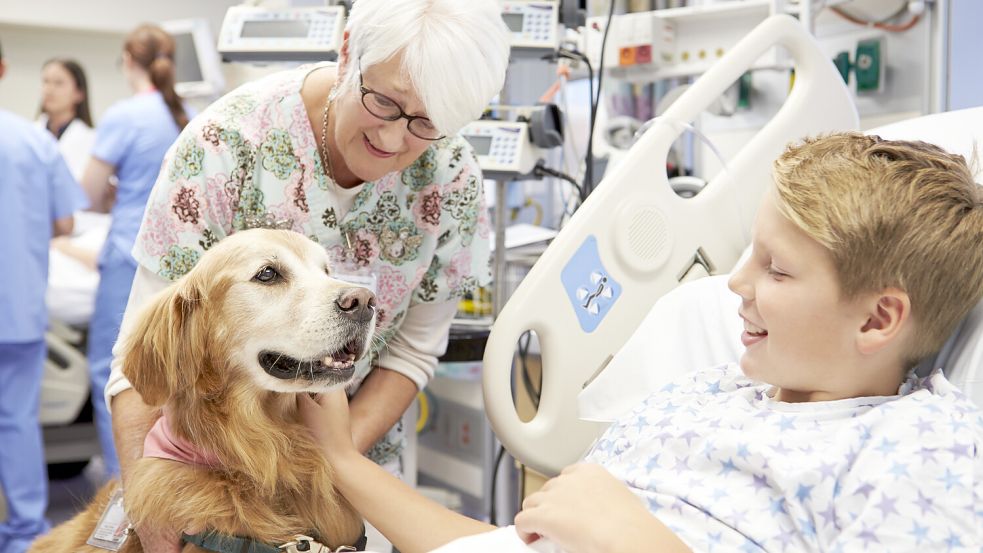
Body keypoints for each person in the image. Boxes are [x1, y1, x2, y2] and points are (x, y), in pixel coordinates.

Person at [300, 132, 983, 553]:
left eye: (775, 268)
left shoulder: (916, 443)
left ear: (875, 320)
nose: (736, 282)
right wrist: (337, 457)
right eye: (749, 252)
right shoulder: (699, 395)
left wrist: (629, 538)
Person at [103, 1, 510, 551]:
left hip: (354, 480)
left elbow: (411, 352)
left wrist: (329, 462)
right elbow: (145, 359)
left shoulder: (452, 180)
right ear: (347, 54)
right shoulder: (225, 145)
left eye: (425, 123)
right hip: (205, 478)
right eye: (383, 102)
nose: (393, 141)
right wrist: (153, 527)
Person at [79, 24, 191, 480]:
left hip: (130, 260)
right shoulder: (192, 113)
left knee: (121, 378)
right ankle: (172, 486)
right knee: (175, 383)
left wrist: (112, 194)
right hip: (187, 267)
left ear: (129, 60)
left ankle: (124, 497)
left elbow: (86, 193)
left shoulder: (125, 115)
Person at [0, 39, 88, 553]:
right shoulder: (34, 142)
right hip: (18, 310)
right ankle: (24, 532)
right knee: (15, 422)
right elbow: (66, 221)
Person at [37, 58, 96, 181]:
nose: (49, 89)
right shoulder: (30, 133)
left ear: (79, 93)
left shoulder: (92, 140)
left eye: (58, 83)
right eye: (45, 82)